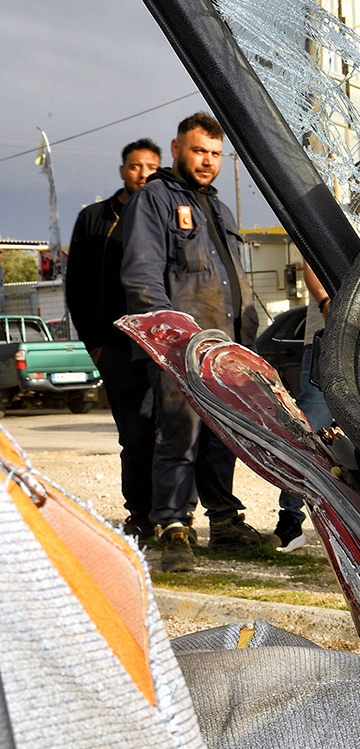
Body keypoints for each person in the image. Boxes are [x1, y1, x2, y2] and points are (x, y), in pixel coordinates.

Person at [121, 112, 269, 571]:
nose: (208, 161)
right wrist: (170, 338)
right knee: (177, 437)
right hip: (179, 349)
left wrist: (245, 340)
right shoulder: (154, 200)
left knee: (221, 438)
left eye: (215, 154)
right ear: (177, 149)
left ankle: (223, 522)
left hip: (223, 350)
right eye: (199, 151)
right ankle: (173, 528)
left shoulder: (219, 209)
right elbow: (142, 276)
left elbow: (232, 281)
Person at [273, 157, 360, 551]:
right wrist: (326, 305)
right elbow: (311, 270)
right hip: (323, 342)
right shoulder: (332, 221)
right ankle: (289, 520)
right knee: (311, 429)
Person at [64, 138, 162, 543]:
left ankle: (177, 518)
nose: (143, 174)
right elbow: (76, 286)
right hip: (117, 348)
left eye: (151, 167)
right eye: (135, 166)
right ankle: (141, 515)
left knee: (171, 433)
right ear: (123, 171)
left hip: (160, 348)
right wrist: (95, 345)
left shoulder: (166, 213)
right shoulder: (94, 219)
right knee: (135, 436)